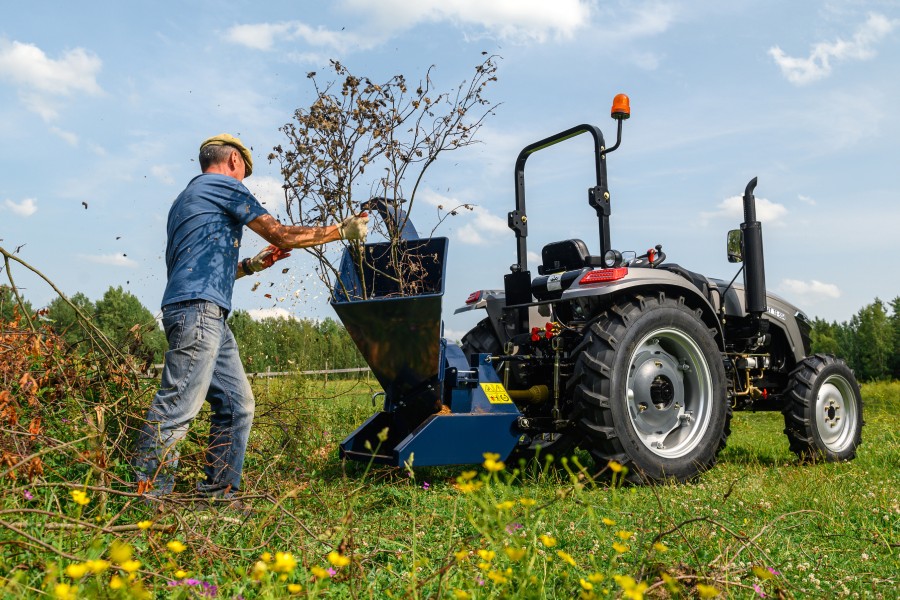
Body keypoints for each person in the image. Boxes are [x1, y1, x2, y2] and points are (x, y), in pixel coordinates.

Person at [133, 133, 368, 507]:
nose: (244, 182)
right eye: (244, 173)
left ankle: (217, 497)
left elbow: (197, 266)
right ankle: (145, 502)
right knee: (176, 409)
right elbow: (281, 234)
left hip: (203, 311)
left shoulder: (186, 200)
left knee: (236, 403)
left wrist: (250, 265)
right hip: (199, 313)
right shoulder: (224, 186)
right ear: (234, 162)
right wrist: (341, 230)